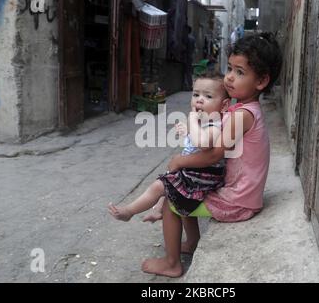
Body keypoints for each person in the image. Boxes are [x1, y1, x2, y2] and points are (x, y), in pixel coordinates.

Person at [140, 32, 283, 278]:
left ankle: (172, 262)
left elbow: (211, 156)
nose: (229, 77)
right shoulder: (240, 108)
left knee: (174, 201)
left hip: (238, 200)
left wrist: (179, 161)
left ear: (261, 81)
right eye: (229, 68)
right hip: (242, 193)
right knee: (186, 187)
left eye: (240, 72)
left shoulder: (242, 115)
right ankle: (192, 242)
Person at [108, 72, 231, 225]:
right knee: (168, 178)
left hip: (204, 177)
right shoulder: (203, 123)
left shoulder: (216, 126)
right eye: (196, 94)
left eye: (208, 96)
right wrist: (187, 129)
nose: (199, 100)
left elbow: (203, 143)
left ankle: (130, 211)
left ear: (224, 105)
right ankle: (161, 213)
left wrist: (191, 121)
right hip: (194, 172)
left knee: (159, 185)